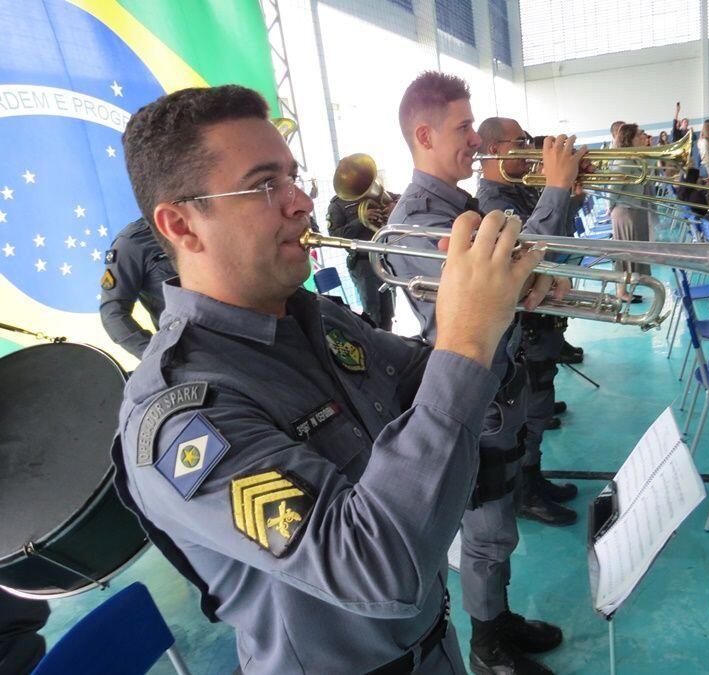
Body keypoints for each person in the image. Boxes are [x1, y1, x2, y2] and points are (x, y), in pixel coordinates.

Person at [112, 84, 548, 674]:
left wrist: (493, 309)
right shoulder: (180, 418)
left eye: (294, 179)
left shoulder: (314, 316)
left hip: (434, 648)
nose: (299, 203)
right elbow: (378, 565)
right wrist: (468, 337)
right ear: (183, 226)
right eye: (266, 184)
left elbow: (433, 383)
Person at [388, 72, 584, 675]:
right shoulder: (422, 220)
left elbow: (523, 277)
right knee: (487, 530)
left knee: (498, 522)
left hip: (505, 384)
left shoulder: (461, 205)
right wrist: (555, 192)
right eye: (463, 127)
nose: (476, 140)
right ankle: (487, 643)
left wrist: (541, 285)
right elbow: (508, 277)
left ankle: (496, 620)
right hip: (477, 400)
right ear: (425, 134)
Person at [475, 116, 578, 528]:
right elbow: (530, 250)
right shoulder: (489, 200)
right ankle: (525, 492)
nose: (533, 146)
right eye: (523, 141)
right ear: (499, 149)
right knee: (529, 415)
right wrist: (557, 187)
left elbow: (563, 245)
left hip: (542, 321)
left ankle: (534, 478)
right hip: (524, 328)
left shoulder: (518, 189)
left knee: (538, 406)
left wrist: (567, 193)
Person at [99, 217, 177, 358]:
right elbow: (113, 314)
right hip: (192, 356)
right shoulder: (133, 242)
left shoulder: (215, 221)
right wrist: (158, 357)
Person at [326, 186, 398, 330]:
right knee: (372, 312)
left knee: (389, 311)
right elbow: (335, 236)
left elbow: (403, 198)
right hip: (362, 262)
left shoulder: (375, 193)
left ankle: (388, 344)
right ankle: (373, 348)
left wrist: (394, 206)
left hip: (384, 259)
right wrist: (361, 220)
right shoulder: (337, 204)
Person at [608, 123, 650, 303]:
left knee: (631, 252)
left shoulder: (634, 158)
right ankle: (621, 291)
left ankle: (625, 288)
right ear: (629, 139)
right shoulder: (624, 160)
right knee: (624, 254)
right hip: (625, 212)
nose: (643, 137)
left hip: (634, 209)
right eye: (639, 135)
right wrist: (610, 208)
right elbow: (613, 188)